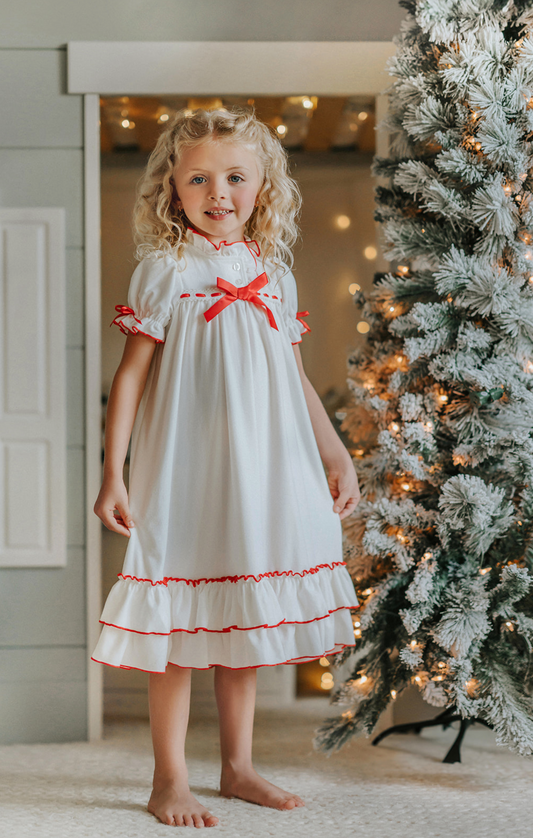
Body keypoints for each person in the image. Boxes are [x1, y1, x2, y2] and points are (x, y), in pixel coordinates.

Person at [93, 107, 360, 828]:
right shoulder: (167, 269)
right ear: (171, 190)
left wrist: (334, 451)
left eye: (236, 177)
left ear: (263, 185)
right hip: (187, 468)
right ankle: (168, 779)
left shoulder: (275, 274)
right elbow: (131, 376)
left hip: (265, 466)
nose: (219, 193)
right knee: (179, 625)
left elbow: (293, 377)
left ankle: (238, 767)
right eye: (199, 180)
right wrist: (114, 472)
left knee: (241, 618)